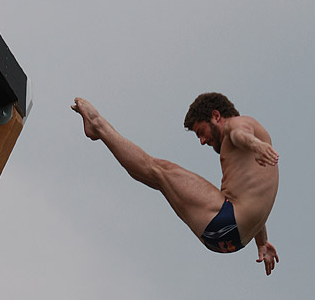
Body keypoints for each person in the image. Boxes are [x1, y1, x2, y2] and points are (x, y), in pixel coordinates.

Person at [72, 92, 280, 274]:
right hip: (233, 238)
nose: (202, 141)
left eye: (201, 132)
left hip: (225, 222)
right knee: (159, 177)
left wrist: (255, 144)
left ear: (216, 116)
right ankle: (98, 127)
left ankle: (97, 123)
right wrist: (261, 242)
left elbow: (239, 134)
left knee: (159, 170)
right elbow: (253, 194)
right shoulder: (245, 157)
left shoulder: (238, 125)